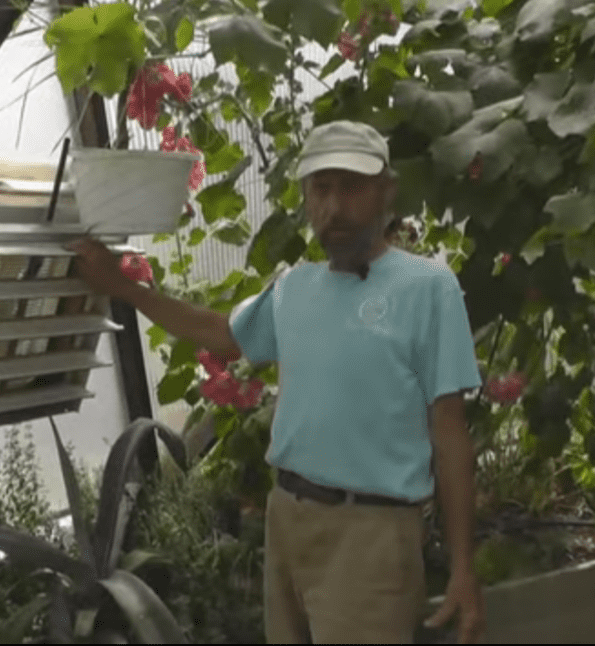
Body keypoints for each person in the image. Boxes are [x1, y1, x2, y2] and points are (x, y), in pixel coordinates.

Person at [65, 120, 486, 644]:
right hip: (287, 518)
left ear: (387, 192)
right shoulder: (294, 287)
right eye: (321, 188)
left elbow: (449, 431)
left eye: (351, 187)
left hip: (372, 535)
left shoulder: (427, 288)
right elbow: (220, 335)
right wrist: (123, 287)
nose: (334, 207)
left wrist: (464, 568)